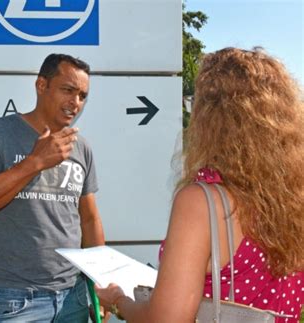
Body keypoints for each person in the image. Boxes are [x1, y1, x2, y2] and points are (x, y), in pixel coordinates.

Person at [95, 47, 304, 322]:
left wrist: (119, 301)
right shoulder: (294, 199)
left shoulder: (203, 202)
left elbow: (167, 319)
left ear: (210, 118)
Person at [0, 53, 105, 322]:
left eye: (83, 96)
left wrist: (101, 285)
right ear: (41, 85)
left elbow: (89, 219)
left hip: (75, 297)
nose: (76, 103)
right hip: (17, 300)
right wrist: (35, 161)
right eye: (68, 90)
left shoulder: (81, 147)